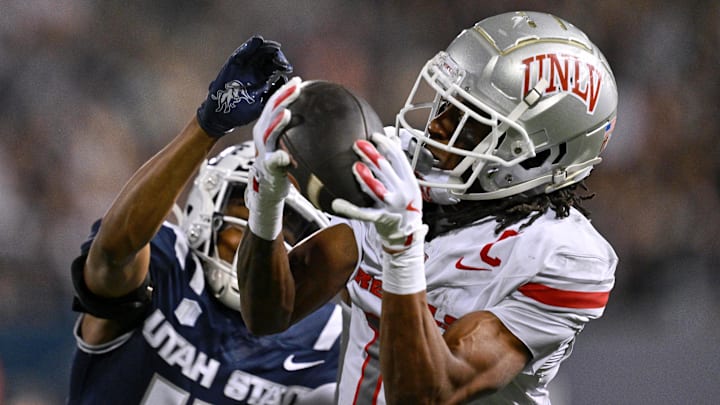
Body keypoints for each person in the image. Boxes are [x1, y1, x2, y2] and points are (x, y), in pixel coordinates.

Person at [237, 11, 618, 404]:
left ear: (537, 156)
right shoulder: (404, 174)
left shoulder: (563, 257)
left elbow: (428, 395)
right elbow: (269, 314)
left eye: (471, 121)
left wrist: (402, 252)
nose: (436, 126)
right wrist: (266, 201)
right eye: (445, 104)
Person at [68, 36, 342, 405]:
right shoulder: (167, 268)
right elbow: (113, 254)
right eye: (245, 209)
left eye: (288, 228)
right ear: (208, 202)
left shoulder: (328, 342)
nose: (253, 241)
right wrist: (206, 128)